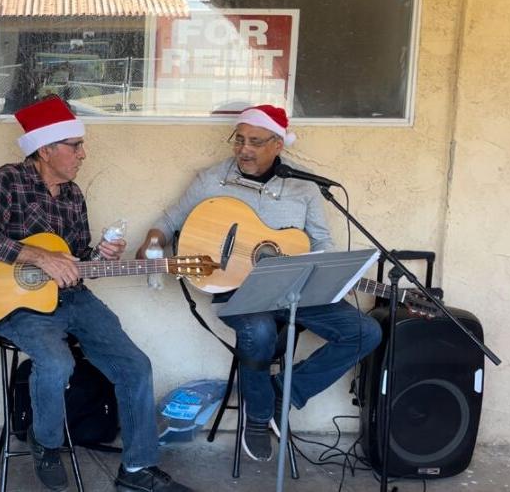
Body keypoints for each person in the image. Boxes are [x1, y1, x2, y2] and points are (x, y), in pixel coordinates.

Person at [0, 96, 194, 492]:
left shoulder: (73, 196)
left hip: (72, 298)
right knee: (56, 364)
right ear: (46, 149)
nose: (83, 155)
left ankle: (137, 470)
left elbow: (75, 258)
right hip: (22, 305)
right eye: (75, 145)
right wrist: (38, 256)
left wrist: (98, 256)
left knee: (135, 365)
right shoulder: (9, 180)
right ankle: (46, 443)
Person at [136, 105, 382, 463]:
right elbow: (170, 219)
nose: (243, 149)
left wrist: (321, 271)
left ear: (278, 145)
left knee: (366, 332)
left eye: (255, 141)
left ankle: (281, 392)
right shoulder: (211, 179)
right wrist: (153, 243)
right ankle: (257, 417)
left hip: (296, 287)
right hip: (235, 287)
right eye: (239, 140)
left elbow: (321, 244)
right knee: (261, 331)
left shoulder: (306, 188)